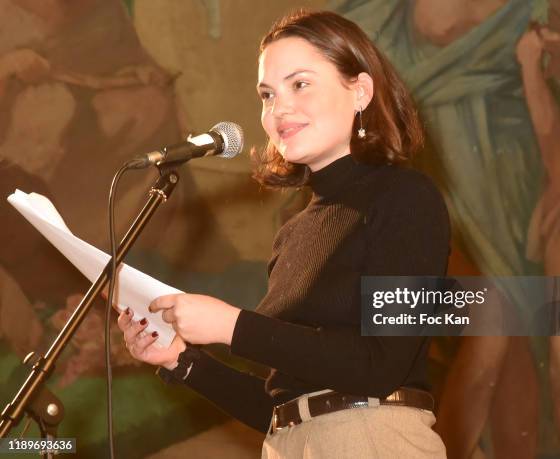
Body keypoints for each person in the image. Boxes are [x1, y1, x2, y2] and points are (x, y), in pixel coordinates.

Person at [118, 10, 450, 458]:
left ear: (360, 90)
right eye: (267, 94)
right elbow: (283, 409)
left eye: (300, 84)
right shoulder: (292, 233)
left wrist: (232, 326)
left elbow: (378, 366)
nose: (279, 109)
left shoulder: (406, 197)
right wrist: (180, 360)